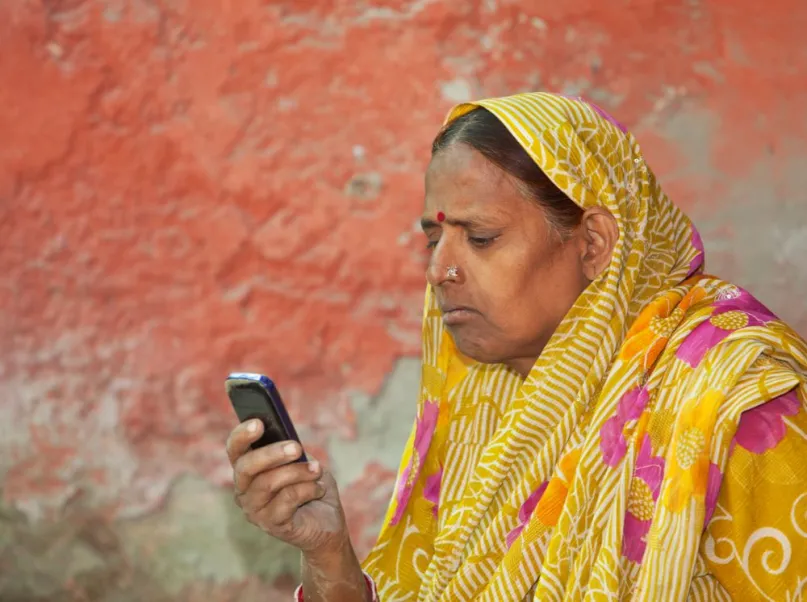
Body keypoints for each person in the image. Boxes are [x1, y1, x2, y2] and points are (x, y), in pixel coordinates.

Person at [225, 93, 807, 601]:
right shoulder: (489, 405)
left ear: (595, 244)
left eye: (480, 237)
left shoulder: (736, 403)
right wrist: (329, 557)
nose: (439, 271)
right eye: (433, 239)